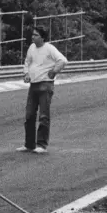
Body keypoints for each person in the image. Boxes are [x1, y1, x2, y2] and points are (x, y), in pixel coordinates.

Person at [17, 26, 67, 154]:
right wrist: (26, 73)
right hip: (33, 85)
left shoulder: (49, 48)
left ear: (42, 37)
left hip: (45, 84)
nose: (32, 37)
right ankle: (29, 144)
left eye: (36, 35)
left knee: (43, 115)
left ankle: (41, 144)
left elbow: (62, 60)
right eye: (32, 35)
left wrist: (54, 71)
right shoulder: (32, 48)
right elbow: (27, 62)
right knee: (29, 115)